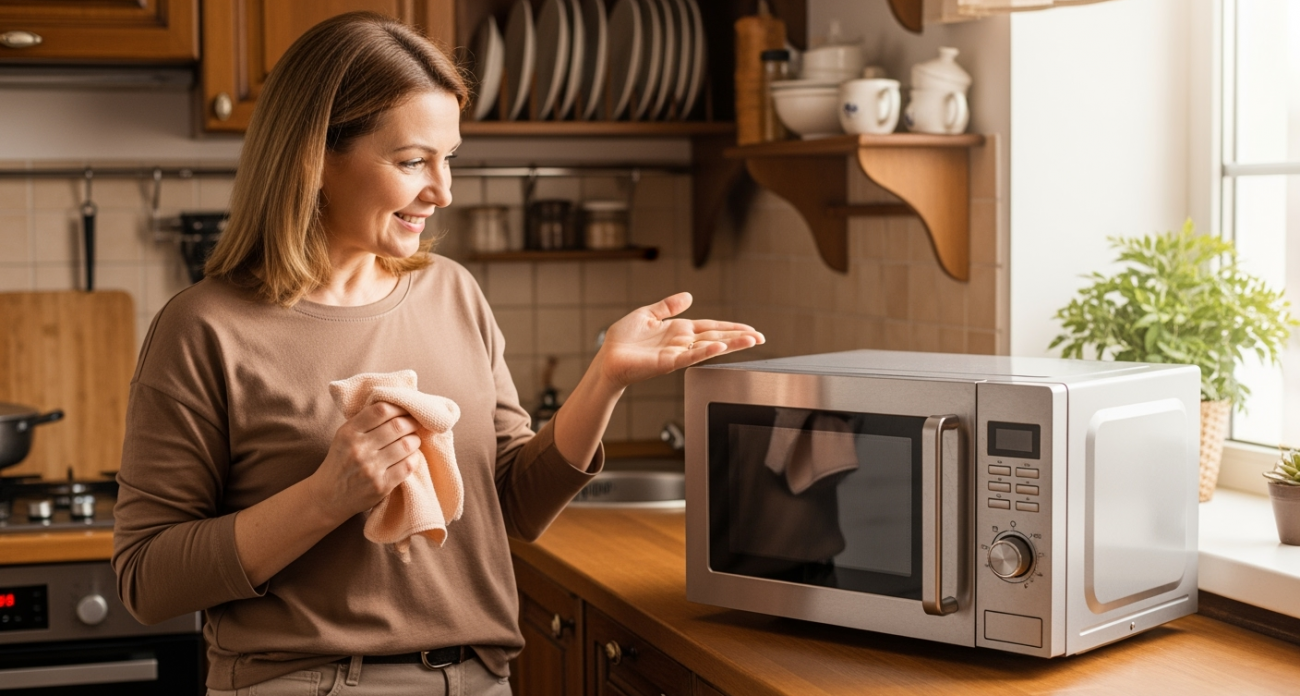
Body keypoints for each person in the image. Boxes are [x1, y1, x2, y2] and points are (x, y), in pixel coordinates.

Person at [110, 11, 763, 696]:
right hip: (308, 683)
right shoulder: (205, 327)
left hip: (479, 680)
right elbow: (147, 580)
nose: (442, 191)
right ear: (316, 158)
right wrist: (326, 498)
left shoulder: (452, 291)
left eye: (448, 158)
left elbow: (512, 504)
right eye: (412, 161)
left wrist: (605, 380)